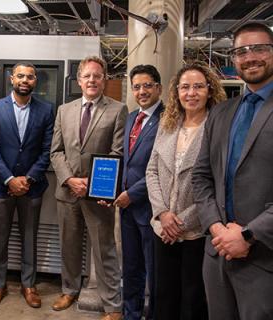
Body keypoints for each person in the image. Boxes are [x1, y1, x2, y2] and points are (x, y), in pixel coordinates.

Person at [192, 22, 273, 320]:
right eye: (241, 51)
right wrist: (217, 229)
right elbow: (200, 177)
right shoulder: (222, 112)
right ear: (233, 59)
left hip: (264, 258)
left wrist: (248, 235)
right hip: (217, 255)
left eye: (260, 48)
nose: (250, 56)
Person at [146, 61, 226, 320]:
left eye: (198, 87)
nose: (191, 93)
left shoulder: (218, 128)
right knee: (164, 296)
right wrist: (162, 214)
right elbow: (152, 171)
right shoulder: (167, 124)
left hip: (197, 231)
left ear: (210, 90)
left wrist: (180, 222)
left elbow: (216, 182)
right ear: (176, 92)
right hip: (163, 229)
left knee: (193, 300)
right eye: (185, 87)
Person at [50, 55, 128, 320]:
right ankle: (69, 290)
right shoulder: (65, 110)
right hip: (67, 192)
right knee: (69, 246)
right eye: (87, 76)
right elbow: (56, 152)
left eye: (97, 75)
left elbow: (117, 153)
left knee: (104, 250)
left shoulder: (118, 110)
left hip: (98, 195)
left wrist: (92, 184)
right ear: (79, 80)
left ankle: (112, 305)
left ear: (104, 80)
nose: (92, 80)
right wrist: (70, 179)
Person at [0, 62, 54, 309]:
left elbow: (47, 150)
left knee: (29, 237)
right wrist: (9, 179)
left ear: (36, 81)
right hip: (0, 186)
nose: (25, 80)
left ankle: (28, 285)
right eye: (20, 76)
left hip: (32, 187)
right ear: (11, 78)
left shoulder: (46, 110)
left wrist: (29, 178)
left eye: (30, 77)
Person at [117, 64, 163, 320]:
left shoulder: (168, 117)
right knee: (131, 267)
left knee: (154, 271)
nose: (142, 91)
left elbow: (161, 168)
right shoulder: (132, 117)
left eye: (147, 85)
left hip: (151, 208)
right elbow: (127, 160)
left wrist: (132, 194)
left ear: (158, 87)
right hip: (126, 210)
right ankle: (131, 314)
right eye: (137, 87)